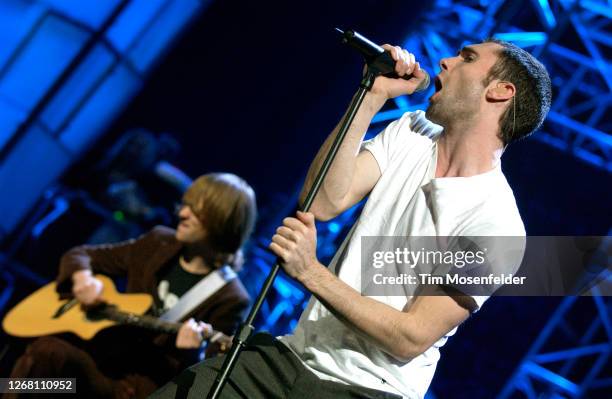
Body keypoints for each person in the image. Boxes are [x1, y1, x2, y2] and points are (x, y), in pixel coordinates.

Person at [151, 39, 551, 399]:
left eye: (466, 58)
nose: (445, 61)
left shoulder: (497, 226)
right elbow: (322, 200)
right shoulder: (411, 131)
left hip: (370, 390)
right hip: (293, 355)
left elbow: (409, 337)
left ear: (501, 92)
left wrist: (310, 271)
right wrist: (371, 97)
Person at [7, 173, 257, 399]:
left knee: (49, 353)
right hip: (92, 363)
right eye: (185, 205)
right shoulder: (160, 242)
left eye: (196, 210)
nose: (182, 213)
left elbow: (206, 377)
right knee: (38, 365)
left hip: (128, 389)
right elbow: (81, 255)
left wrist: (192, 355)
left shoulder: (231, 297)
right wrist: (84, 280)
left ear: (221, 222)